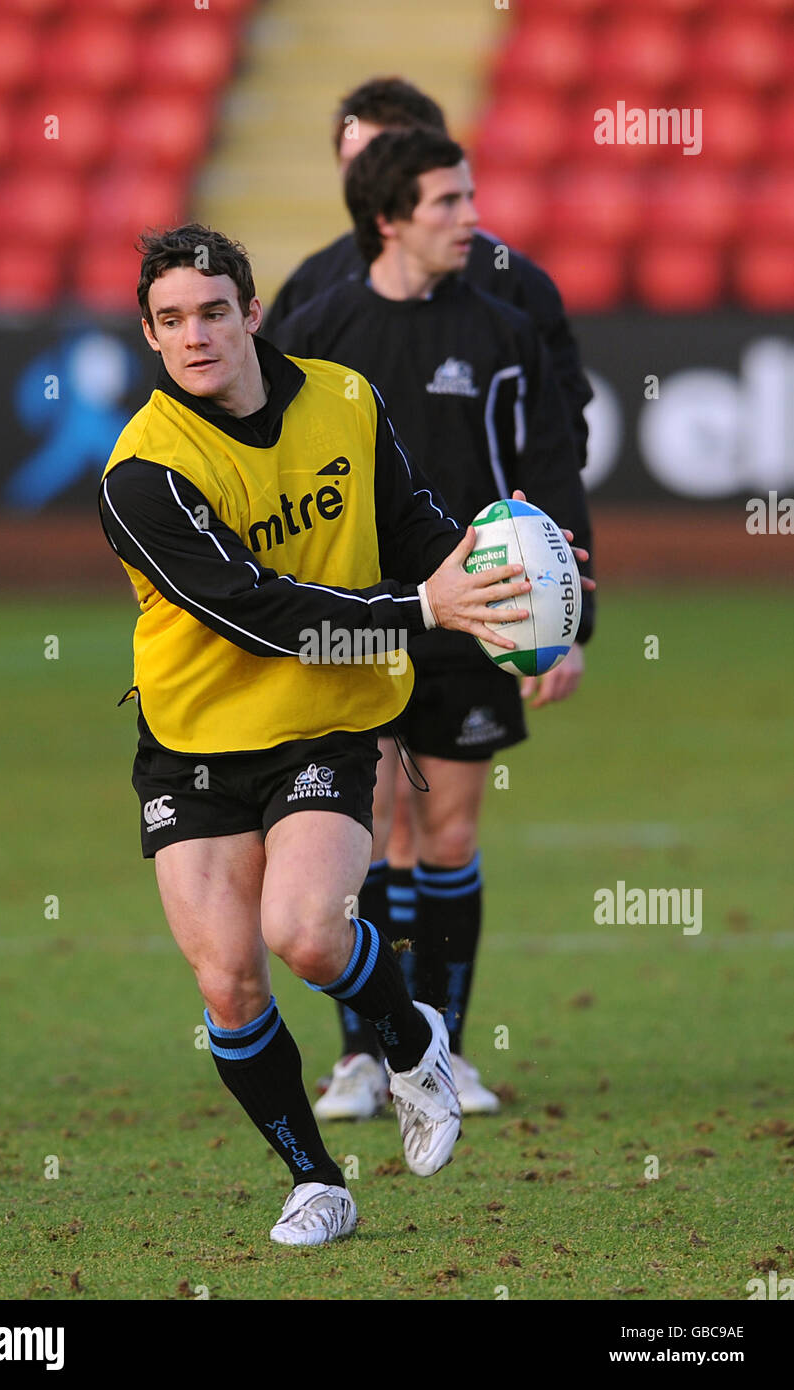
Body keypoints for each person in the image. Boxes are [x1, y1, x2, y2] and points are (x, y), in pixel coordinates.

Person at [97, 222, 562, 1248]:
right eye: (170, 321)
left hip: (328, 720)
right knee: (225, 979)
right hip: (192, 741)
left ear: (251, 313)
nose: (195, 336)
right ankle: (318, 1180)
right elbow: (255, 609)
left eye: (213, 312)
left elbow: (412, 525)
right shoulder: (142, 471)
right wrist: (423, 610)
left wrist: (497, 568)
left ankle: (409, 1041)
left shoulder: (343, 398)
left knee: (305, 931)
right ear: (149, 335)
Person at [271, 128, 595, 1119]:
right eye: (445, 203)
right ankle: (368, 1055)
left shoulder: (501, 332)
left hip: (476, 616)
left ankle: (442, 1048)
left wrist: (568, 621)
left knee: (446, 836)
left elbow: (546, 474)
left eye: (468, 198)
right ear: (387, 219)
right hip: (361, 615)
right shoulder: (318, 330)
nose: (469, 219)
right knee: (361, 834)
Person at [262, 76, 593, 469]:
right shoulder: (312, 284)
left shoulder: (514, 284)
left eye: (383, 158)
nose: (364, 179)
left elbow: (561, 437)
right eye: (353, 163)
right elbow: (270, 422)